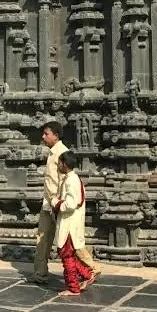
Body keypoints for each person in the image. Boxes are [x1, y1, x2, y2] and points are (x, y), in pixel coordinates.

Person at [31, 121, 102, 286]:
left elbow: (66, 180)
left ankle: (91, 268)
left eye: (46, 134)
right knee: (43, 238)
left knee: (69, 242)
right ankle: (40, 273)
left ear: (55, 135)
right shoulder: (52, 152)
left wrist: (59, 204)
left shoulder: (62, 153)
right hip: (49, 203)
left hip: (58, 204)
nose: (43, 137)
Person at [54, 151, 93, 296]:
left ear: (65, 164)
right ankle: (87, 275)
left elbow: (71, 203)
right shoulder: (72, 178)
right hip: (70, 223)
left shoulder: (71, 180)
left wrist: (56, 203)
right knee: (67, 253)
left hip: (69, 224)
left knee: (67, 255)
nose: (58, 165)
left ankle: (73, 288)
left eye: (59, 163)